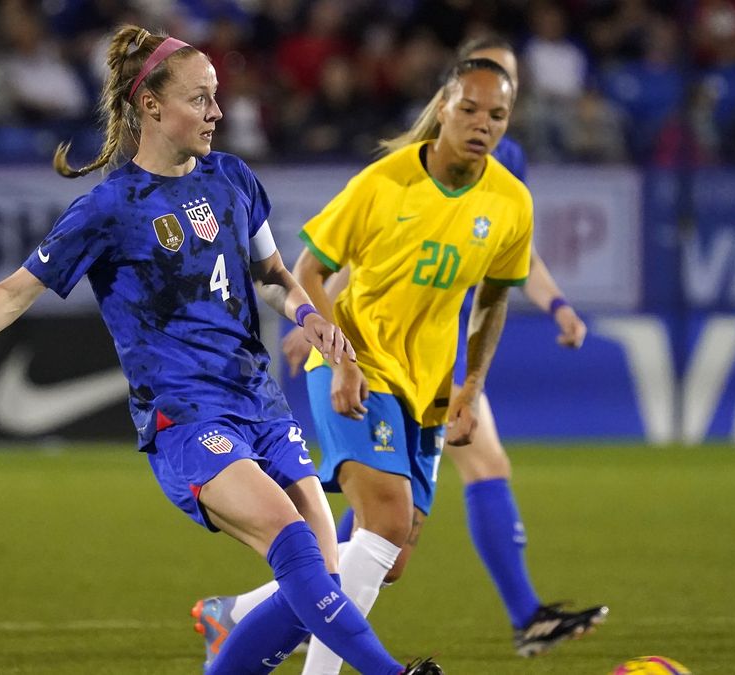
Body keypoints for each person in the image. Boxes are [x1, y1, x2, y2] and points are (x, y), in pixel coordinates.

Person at [0, 25, 440, 675]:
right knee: (294, 544)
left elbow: (272, 276)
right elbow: (13, 291)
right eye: (201, 99)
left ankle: (227, 632)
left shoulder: (233, 179)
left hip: (258, 400)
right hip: (187, 418)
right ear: (151, 107)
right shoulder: (110, 208)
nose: (218, 112)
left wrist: (311, 317)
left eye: (218, 97)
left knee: (319, 578)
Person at [192, 38, 605, 670]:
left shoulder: (509, 200)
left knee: (385, 558)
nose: (482, 125)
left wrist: (470, 388)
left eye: (495, 116)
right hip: (358, 367)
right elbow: (308, 266)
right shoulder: (386, 183)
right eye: (470, 110)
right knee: (384, 521)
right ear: (444, 106)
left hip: (430, 389)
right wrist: (342, 358)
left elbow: (494, 299)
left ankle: (241, 614)